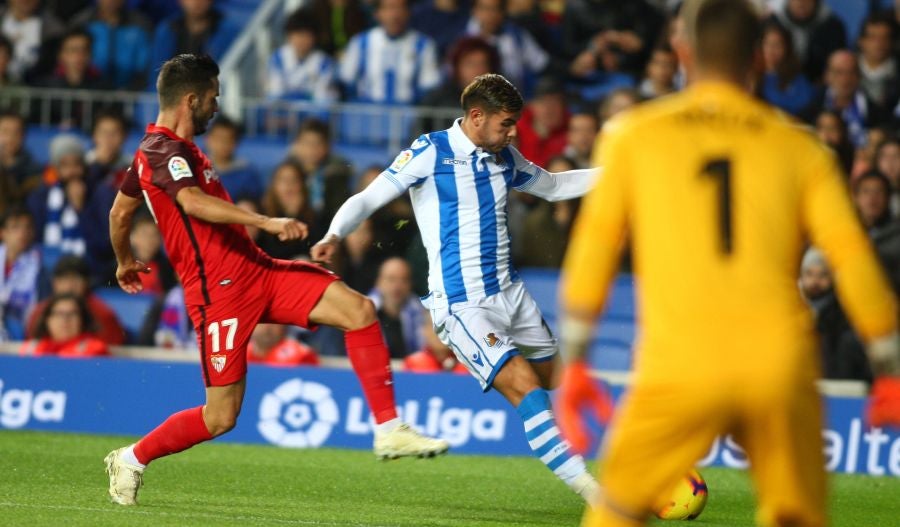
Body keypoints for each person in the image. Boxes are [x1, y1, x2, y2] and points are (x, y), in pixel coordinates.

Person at [557, 2, 900, 526]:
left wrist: (575, 360)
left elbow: (594, 254)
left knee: (617, 513)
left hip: (679, 364)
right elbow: (852, 258)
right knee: (794, 516)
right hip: (777, 364)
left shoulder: (634, 136)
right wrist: (889, 369)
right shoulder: (802, 148)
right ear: (760, 57)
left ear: (681, 51)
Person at [103, 53, 448, 507]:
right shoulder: (160, 151)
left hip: (256, 271)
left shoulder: (168, 154)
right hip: (217, 297)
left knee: (360, 309)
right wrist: (264, 220)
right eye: (212, 97)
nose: (216, 105)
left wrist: (125, 259)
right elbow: (191, 203)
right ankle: (130, 457)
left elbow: (121, 211)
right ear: (191, 99)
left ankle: (388, 430)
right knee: (220, 418)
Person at [312, 73, 600, 504]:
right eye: (506, 123)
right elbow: (369, 199)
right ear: (477, 116)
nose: (513, 131)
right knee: (526, 388)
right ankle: (599, 496)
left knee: (552, 379)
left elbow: (556, 188)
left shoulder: (504, 156)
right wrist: (334, 234)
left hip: (511, 296)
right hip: (463, 306)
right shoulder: (431, 152)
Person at [338, 0, 440, 104]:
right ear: (377, 13)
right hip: (367, 115)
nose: (395, 15)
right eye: (389, 8)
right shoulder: (360, 43)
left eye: (400, 8)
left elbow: (429, 87)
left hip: (409, 116)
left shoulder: (424, 46)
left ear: (408, 12)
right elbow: (346, 81)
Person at [27, 255, 125, 345]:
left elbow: (112, 348)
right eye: (64, 279)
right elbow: (33, 344)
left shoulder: (102, 314)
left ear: (86, 283)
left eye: (76, 279)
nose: (70, 285)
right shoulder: (41, 312)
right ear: (54, 282)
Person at [266, 8, 338, 104]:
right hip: (285, 115)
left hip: (312, 115)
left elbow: (322, 98)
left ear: (315, 37)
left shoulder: (324, 63)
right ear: (289, 36)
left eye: (306, 35)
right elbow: (276, 94)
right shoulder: (277, 59)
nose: (302, 40)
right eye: (298, 35)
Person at [368, 257, 425, 359]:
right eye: (391, 279)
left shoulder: (422, 314)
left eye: (404, 280)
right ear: (378, 282)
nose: (397, 286)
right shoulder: (363, 312)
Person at [19, 292, 108, 357]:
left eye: (72, 313)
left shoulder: (94, 350)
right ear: (47, 320)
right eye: (59, 313)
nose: (65, 319)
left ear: (82, 320)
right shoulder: (30, 350)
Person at [0, 206, 42, 341]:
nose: (22, 233)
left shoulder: (41, 267)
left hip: (23, 334)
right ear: (3, 233)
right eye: (15, 227)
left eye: (27, 228)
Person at [248, 323, 319, 367]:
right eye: (262, 322)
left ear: (284, 326)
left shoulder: (301, 355)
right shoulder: (239, 353)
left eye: (274, 322)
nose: (267, 328)